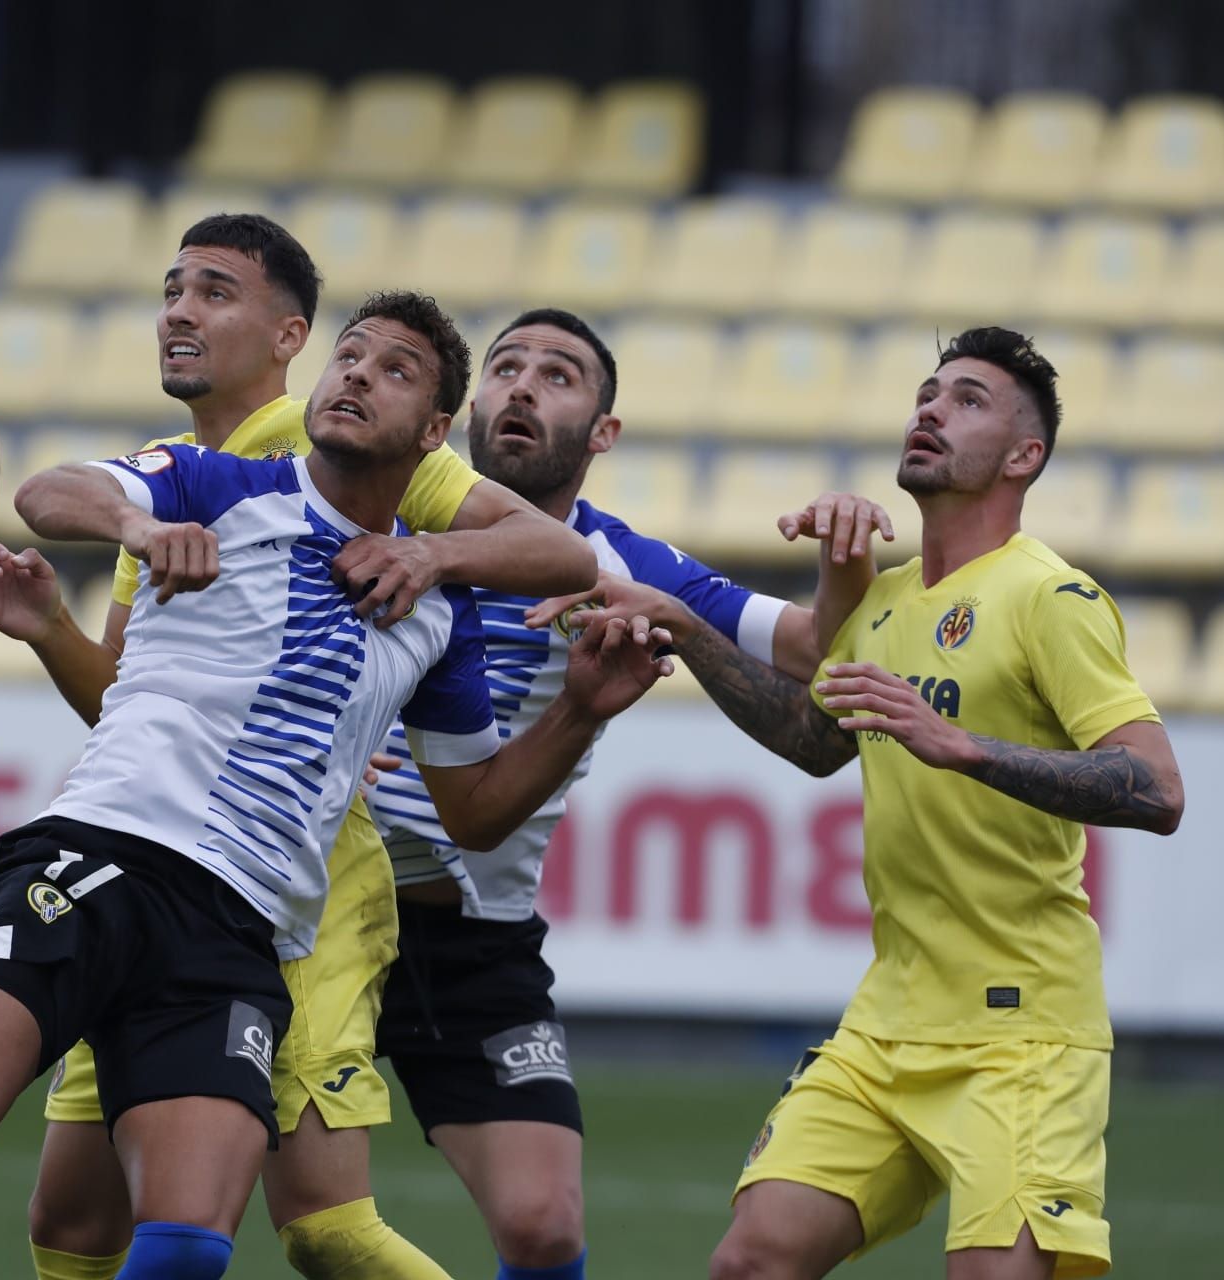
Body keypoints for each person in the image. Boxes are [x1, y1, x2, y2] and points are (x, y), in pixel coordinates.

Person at [0, 292, 668, 1280]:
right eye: (351, 355)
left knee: (190, 1243)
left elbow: (479, 809)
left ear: (432, 433)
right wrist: (134, 524)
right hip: (98, 857)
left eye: (396, 368)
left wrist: (578, 707)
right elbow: (45, 490)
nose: (358, 373)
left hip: (238, 932)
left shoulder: (432, 610)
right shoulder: (215, 483)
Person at [0, 213, 597, 1280]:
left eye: (214, 292)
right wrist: (51, 633)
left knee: (322, 1218)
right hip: (154, 862)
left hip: (286, 879)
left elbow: (552, 549)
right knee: (74, 1219)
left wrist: (436, 558)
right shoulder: (174, 480)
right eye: (172, 288)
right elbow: (128, 702)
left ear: (287, 336)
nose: (179, 310)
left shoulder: (344, 448)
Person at [634, 327, 1183, 1280]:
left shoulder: (1049, 596)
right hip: (887, 1021)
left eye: (968, 399)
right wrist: (687, 631)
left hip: (1022, 1035)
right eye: (927, 393)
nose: (931, 408)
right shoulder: (882, 604)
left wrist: (966, 749)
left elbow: (1155, 788)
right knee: (750, 1263)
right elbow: (815, 743)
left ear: (1026, 456)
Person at [363, 307, 887, 1280]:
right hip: (308, 910)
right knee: (172, 1205)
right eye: (506, 367)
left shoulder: (623, 561)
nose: (521, 385)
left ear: (602, 433)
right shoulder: (376, 519)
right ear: (465, 406)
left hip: (472, 935)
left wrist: (842, 557)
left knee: (545, 1226)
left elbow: (816, 646)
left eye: (558, 375)